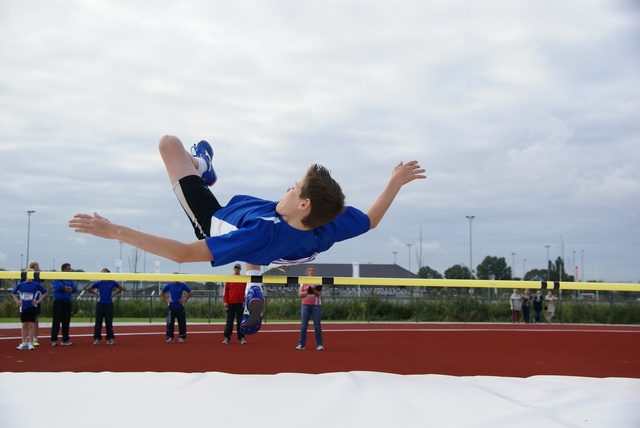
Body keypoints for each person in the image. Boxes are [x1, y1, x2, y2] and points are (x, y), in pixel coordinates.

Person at [69, 135, 426, 336]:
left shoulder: (259, 231)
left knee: (168, 145)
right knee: (264, 246)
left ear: (303, 204)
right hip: (289, 246)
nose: (287, 186)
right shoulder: (329, 220)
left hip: (217, 220)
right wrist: (394, 182)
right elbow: (371, 220)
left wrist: (114, 230)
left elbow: (181, 253)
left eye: (294, 187)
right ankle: (256, 282)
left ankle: (202, 168)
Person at [11, 269, 48, 350]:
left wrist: (38, 300)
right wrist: (17, 301)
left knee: (31, 325)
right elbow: (13, 292)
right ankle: (23, 342)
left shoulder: (36, 285)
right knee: (24, 325)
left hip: (32, 307)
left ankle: (30, 343)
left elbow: (45, 292)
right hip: (23, 307)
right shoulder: (21, 285)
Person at [86, 268, 125, 345]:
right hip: (100, 303)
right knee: (98, 322)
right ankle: (97, 339)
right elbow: (88, 288)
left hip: (109, 303)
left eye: (105, 273)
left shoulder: (112, 282)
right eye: (103, 273)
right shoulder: (99, 282)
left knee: (109, 322)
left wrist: (114, 294)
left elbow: (121, 288)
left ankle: (109, 338)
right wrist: (96, 294)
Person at [296, 265, 324, 350]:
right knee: (304, 326)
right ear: (307, 272)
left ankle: (319, 344)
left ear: (315, 272)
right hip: (305, 305)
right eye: (310, 270)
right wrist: (308, 291)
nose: (311, 272)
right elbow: (300, 294)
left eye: (313, 270)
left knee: (317, 326)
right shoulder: (303, 281)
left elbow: (319, 294)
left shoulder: (318, 281)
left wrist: (314, 290)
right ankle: (301, 344)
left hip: (316, 305)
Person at [160, 275, 193, 343]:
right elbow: (161, 292)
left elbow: (190, 292)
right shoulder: (169, 285)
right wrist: (166, 299)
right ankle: (170, 337)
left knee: (182, 322)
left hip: (180, 307)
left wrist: (185, 299)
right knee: (170, 322)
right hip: (171, 306)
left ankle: (181, 336)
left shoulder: (182, 285)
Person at [51, 263, 78, 346]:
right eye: (68, 268)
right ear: (64, 269)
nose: (70, 270)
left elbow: (74, 289)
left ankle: (65, 339)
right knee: (56, 321)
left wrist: (67, 289)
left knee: (66, 321)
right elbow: (57, 287)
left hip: (67, 301)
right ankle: (54, 340)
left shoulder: (70, 279)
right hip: (59, 302)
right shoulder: (57, 277)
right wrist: (65, 288)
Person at [222, 264, 247, 344]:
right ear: (233, 269)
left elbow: (246, 291)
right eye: (235, 268)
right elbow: (226, 291)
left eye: (238, 268)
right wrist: (225, 301)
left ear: (240, 269)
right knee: (229, 321)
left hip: (240, 303)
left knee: (241, 321)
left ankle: (242, 337)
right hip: (231, 303)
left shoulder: (243, 279)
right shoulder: (230, 279)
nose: (237, 269)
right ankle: (227, 338)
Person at [27, 261, 43, 346]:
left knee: (35, 320)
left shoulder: (39, 276)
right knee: (26, 320)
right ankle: (26, 337)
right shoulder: (25, 275)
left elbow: (42, 287)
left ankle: (35, 338)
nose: (38, 268)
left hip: (36, 300)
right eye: (37, 267)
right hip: (26, 301)